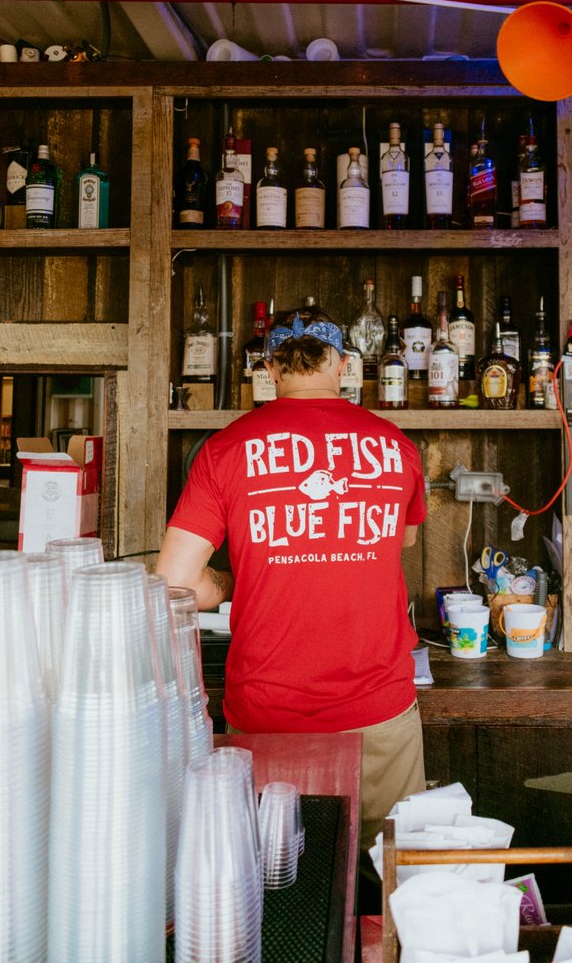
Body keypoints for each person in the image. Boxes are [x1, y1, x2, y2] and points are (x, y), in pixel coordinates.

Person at [156, 305, 427, 854]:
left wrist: (229, 584)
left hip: (266, 716)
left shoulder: (225, 449)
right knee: (391, 888)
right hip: (378, 711)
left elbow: (172, 583)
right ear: (344, 365)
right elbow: (403, 540)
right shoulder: (395, 446)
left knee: (274, 888)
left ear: (270, 368)